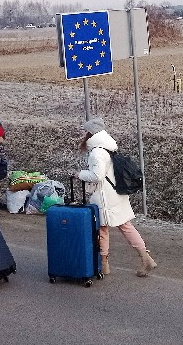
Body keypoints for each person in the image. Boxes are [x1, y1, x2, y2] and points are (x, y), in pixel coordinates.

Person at [77, 117, 157, 277]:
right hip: (116, 193)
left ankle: (104, 264)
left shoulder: (97, 152)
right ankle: (145, 258)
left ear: (90, 133)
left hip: (104, 197)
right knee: (126, 226)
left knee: (102, 229)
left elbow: (97, 176)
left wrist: (79, 174)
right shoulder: (108, 147)